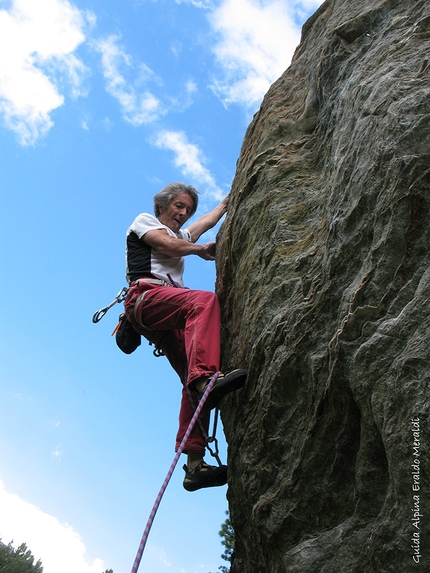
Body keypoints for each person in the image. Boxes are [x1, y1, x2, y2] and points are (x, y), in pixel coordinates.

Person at [123, 182, 247, 492]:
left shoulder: (180, 233)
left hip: (164, 313)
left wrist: (225, 204)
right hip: (146, 297)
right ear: (161, 207)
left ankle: (194, 465)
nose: (183, 213)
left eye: (188, 209)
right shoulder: (144, 222)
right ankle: (207, 379)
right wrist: (200, 250)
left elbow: (201, 226)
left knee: (191, 385)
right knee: (203, 302)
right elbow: (170, 247)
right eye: (178, 206)